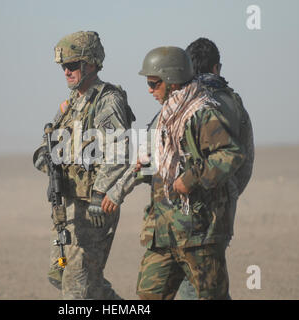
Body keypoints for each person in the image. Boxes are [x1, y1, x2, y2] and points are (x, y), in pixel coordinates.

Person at [107, 46, 245, 299]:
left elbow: (230, 154)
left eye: (153, 83)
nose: (149, 90)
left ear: (171, 81)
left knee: (210, 296)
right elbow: (166, 159)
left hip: (198, 230)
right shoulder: (167, 116)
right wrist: (142, 169)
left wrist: (191, 179)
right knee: (150, 292)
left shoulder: (202, 112)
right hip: (164, 230)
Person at [33, 31, 135, 300]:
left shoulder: (107, 100)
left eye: (72, 65)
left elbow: (119, 152)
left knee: (77, 287)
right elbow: (52, 142)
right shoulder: (73, 104)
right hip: (67, 210)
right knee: (61, 273)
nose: (66, 71)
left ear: (90, 63)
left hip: (93, 210)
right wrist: (47, 158)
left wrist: (99, 193)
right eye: (63, 66)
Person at [186, 38, 255, 239]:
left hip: (177, 205)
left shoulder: (178, 101)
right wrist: (230, 192)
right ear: (216, 67)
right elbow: (245, 158)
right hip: (219, 206)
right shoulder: (232, 103)